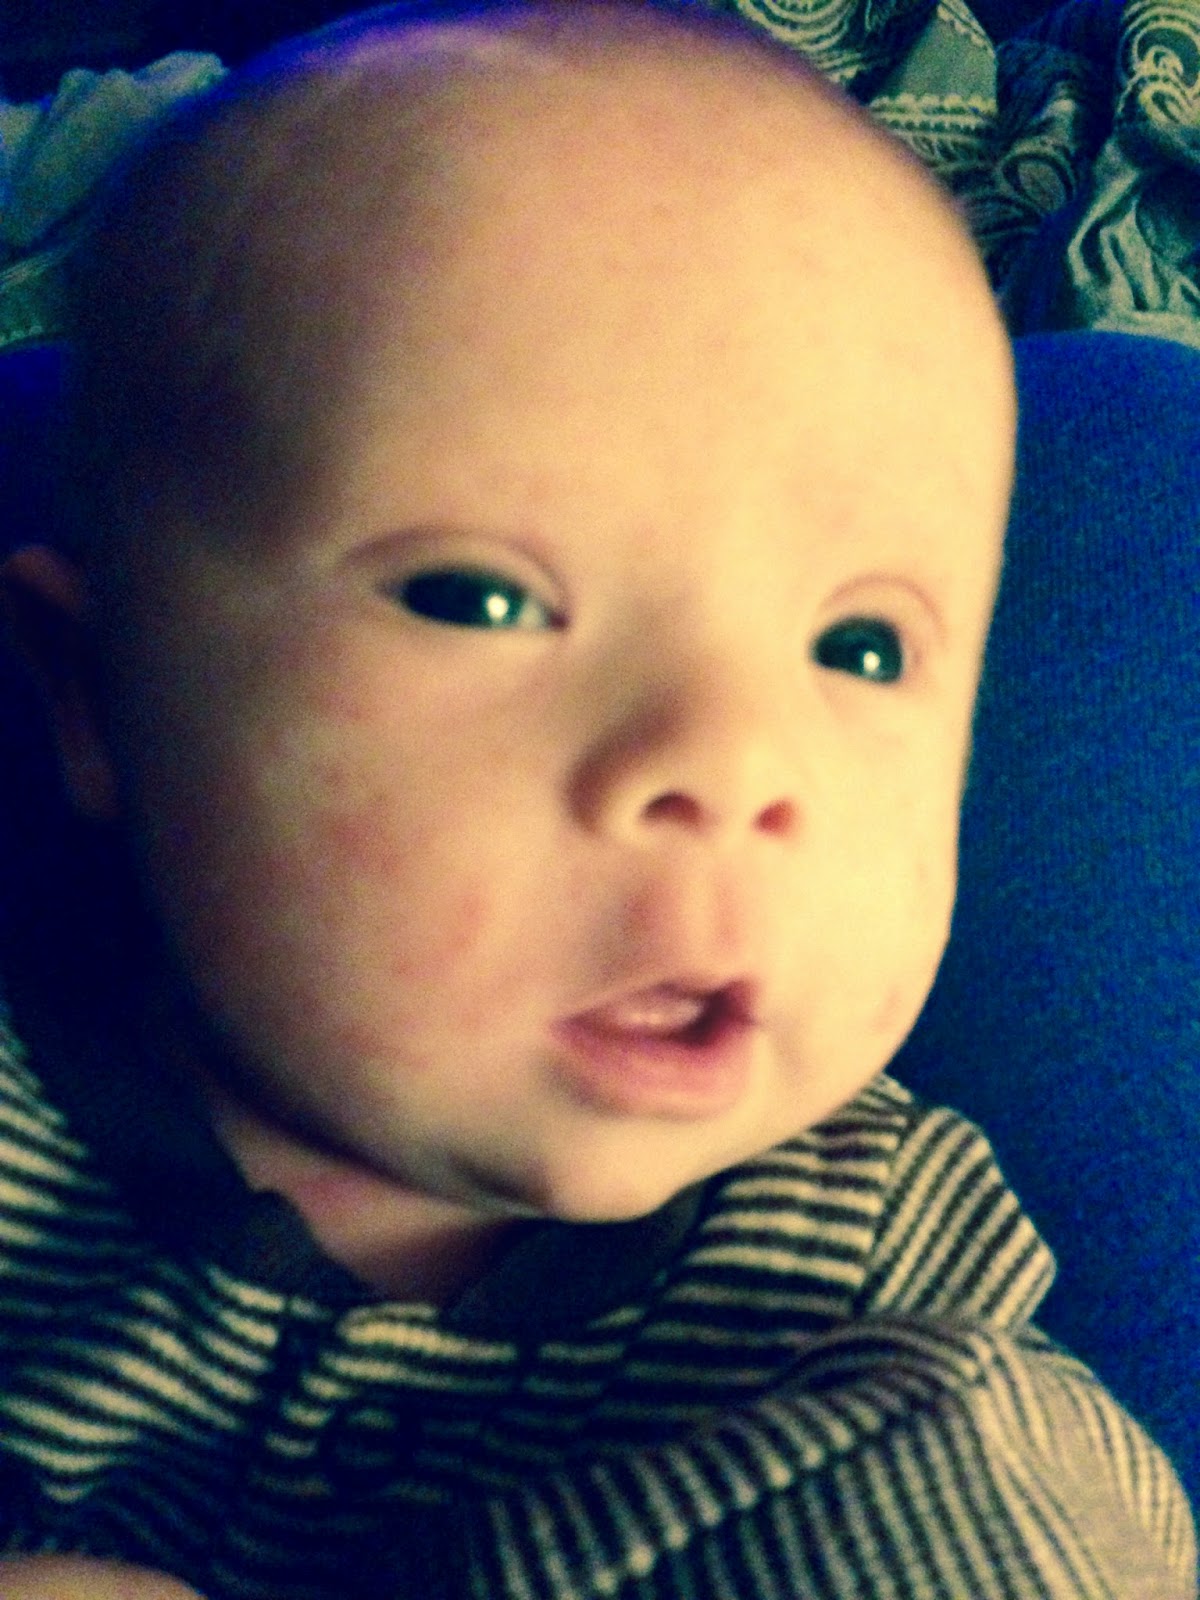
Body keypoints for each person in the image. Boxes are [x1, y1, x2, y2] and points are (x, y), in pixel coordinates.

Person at [0, 3, 1193, 1596]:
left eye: (859, 646)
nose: (731, 762)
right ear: (98, 694)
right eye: (482, 599)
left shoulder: (872, 1290)